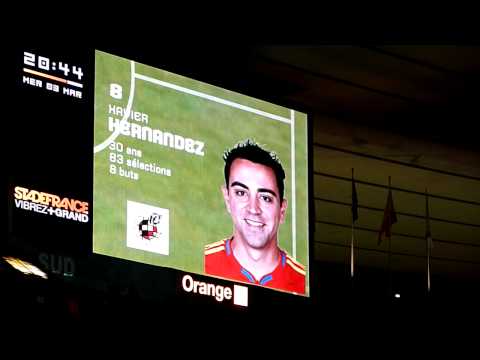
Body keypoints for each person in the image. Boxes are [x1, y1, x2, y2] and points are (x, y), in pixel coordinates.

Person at [204, 139, 306, 294]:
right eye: (241, 193)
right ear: (227, 199)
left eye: (265, 198)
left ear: (282, 210)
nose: (253, 209)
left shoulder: (302, 280)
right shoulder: (205, 261)